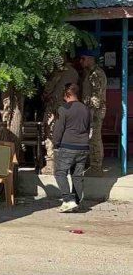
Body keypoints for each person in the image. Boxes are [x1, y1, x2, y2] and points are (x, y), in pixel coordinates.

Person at [52, 83, 91, 213]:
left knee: (60, 172)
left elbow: (59, 129)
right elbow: (87, 127)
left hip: (68, 146)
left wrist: (56, 143)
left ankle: (68, 200)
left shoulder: (64, 109)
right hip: (84, 146)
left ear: (67, 94)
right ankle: (77, 202)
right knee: (77, 175)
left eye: (64, 95)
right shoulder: (86, 109)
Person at [42, 55, 80, 173]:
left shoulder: (58, 72)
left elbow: (48, 89)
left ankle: (51, 165)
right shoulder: (75, 73)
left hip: (55, 106)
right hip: (70, 107)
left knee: (51, 134)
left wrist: (45, 94)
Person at [79, 50, 107, 175]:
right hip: (89, 110)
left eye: (83, 58)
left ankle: (96, 167)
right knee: (90, 138)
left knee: (94, 138)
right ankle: (93, 165)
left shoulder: (97, 74)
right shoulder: (88, 73)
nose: (81, 61)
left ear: (90, 59)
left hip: (94, 111)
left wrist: (91, 112)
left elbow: (97, 95)